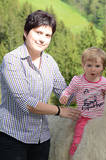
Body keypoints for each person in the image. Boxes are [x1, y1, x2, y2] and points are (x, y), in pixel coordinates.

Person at [0, 10, 81, 160]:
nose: (42, 39)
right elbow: (27, 103)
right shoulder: (11, 60)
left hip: (41, 140)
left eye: (47, 35)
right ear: (25, 32)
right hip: (12, 139)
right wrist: (59, 111)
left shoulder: (50, 62)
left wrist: (90, 90)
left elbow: (65, 96)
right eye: (38, 32)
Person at [59, 47, 106, 160]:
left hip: (100, 119)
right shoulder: (77, 81)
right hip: (84, 117)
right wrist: (64, 96)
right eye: (89, 65)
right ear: (83, 65)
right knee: (78, 140)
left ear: (103, 67)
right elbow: (68, 90)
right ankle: (73, 156)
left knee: (101, 142)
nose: (93, 69)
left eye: (97, 66)